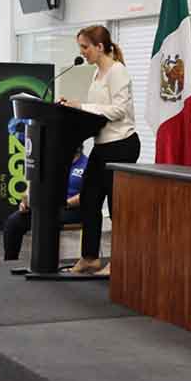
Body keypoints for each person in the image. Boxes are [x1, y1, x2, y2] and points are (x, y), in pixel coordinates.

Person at [57, 25, 140, 275]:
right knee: (90, 201)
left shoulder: (117, 72)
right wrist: (74, 109)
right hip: (102, 145)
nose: (82, 52)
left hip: (122, 145)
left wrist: (82, 106)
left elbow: (118, 111)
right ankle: (90, 257)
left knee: (117, 207)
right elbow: (96, 109)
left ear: (100, 47)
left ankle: (120, 261)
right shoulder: (96, 74)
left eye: (85, 47)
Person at [2, 148, 86, 261]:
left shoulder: (87, 165)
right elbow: (34, 185)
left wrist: (65, 203)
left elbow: (87, 195)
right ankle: (9, 262)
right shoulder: (53, 163)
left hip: (74, 209)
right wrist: (26, 202)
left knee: (46, 219)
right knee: (14, 221)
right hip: (49, 206)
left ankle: (46, 263)